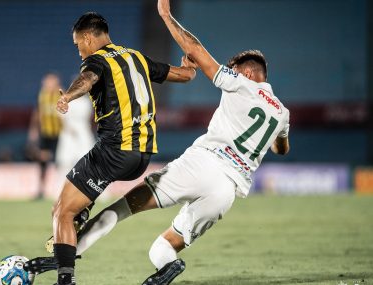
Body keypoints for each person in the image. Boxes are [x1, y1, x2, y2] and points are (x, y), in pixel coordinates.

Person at [25, 2, 290, 285]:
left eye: (233, 69)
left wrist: (165, 15)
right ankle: (165, 269)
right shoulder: (282, 114)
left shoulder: (239, 84)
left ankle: (63, 268)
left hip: (188, 163)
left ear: (247, 73)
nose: (228, 71)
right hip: (219, 189)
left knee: (99, 209)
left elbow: (196, 52)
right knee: (163, 249)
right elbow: (280, 147)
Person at [45, 11, 196, 285]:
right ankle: (84, 208)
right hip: (143, 156)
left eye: (79, 45)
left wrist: (67, 95)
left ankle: (65, 280)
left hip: (115, 150)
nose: (79, 52)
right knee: (76, 203)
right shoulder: (136, 57)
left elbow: (88, 79)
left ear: (89, 38)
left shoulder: (97, 60)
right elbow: (181, 75)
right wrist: (191, 69)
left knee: (62, 211)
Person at [27, 73, 63, 199]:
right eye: (46, 82)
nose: (47, 85)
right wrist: (33, 129)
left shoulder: (62, 95)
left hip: (59, 134)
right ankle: (41, 189)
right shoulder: (42, 95)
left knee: (61, 161)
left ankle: (61, 189)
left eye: (49, 82)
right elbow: (37, 112)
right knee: (42, 162)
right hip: (45, 133)